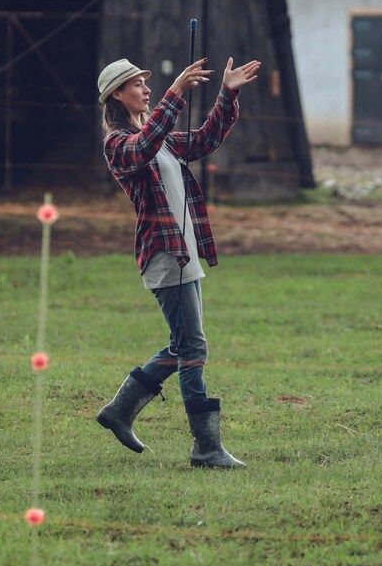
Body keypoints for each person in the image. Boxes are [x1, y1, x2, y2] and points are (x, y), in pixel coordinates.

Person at [95, 55, 260, 468]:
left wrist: (227, 93)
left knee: (184, 344)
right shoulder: (119, 143)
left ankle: (120, 410)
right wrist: (176, 93)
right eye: (137, 84)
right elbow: (143, 146)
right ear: (118, 93)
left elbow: (205, 140)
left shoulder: (161, 137)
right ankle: (205, 448)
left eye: (148, 84)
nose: (146, 89)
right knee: (193, 349)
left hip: (184, 252)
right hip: (164, 256)